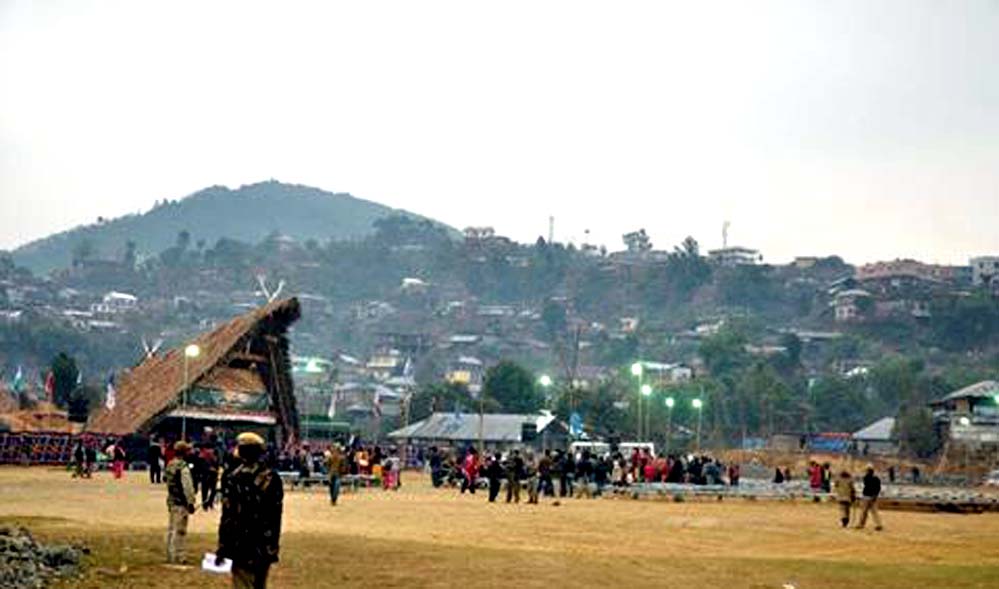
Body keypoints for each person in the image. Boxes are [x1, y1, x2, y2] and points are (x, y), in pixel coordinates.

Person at [217, 432, 284, 589]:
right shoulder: (272, 478)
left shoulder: (232, 478)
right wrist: (273, 544)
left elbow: (228, 515)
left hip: (239, 542)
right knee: (260, 584)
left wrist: (223, 545)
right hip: (263, 542)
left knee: (242, 583)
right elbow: (275, 515)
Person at [165, 441, 197, 564]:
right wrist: (191, 502)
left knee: (171, 528)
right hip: (181, 502)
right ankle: (178, 556)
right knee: (180, 530)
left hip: (172, 500)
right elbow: (187, 486)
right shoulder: (183, 467)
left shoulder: (170, 464)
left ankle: (170, 554)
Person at [856, 464, 883, 531]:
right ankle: (878, 524)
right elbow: (878, 488)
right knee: (875, 512)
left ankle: (861, 524)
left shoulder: (866, 478)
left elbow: (865, 482)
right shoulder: (876, 479)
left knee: (864, 512)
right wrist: (875, 494)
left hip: (866, 496)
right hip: (874, 497)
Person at [200, 443, 220, 510]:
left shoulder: (215, 457)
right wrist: (208, 468)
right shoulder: (202, 456)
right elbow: (200, 466)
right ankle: (205, 504)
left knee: (213, 491)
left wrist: (216, 471)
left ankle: (210, 502)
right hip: (205, 475)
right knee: (205, 491)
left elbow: (217, 466)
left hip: (213, 476)